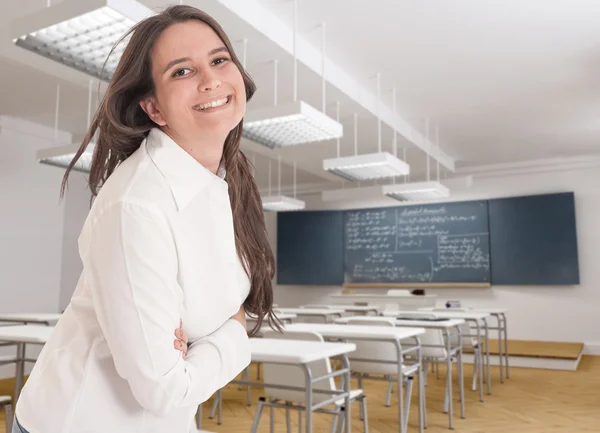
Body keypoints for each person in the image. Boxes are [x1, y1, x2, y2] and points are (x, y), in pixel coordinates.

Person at [12, 5, 279, 433]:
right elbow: (165, 387)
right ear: (154, 108)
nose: (210, 79)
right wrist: (234, 332)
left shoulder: (224, 181)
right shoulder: (135, 206)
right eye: (181, 71)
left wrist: (197, 343)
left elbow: (187, 356)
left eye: (218, 59)